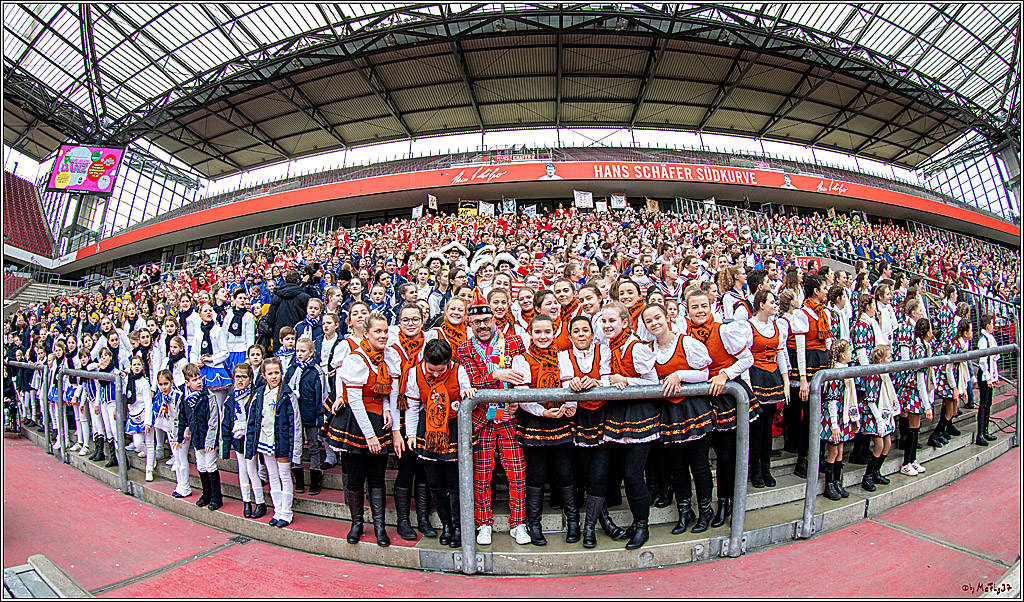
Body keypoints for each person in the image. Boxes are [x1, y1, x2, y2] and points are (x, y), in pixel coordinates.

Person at [455, 291, 531, 546]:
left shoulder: (513, 341)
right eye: (477, 322)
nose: (483, 326)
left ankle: (519, 523)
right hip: (482, 420)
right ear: (469, 323)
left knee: (517, 473)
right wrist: (496, 374)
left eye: (486, 320)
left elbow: (523, 378)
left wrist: (517, 403)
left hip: (509, 418)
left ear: (495, 319)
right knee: (481, 475)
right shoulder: (464, 348)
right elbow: (470, 384)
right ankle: (483, 523)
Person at [683, 289, 753, 530]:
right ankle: (708, 505)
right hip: (700, 398)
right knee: (700, 456)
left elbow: (747, 359)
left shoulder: (724, 330)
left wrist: (725, 374)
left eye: (704, 305)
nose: (700, 311)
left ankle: (726, 502)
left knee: (725, 456)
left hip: (726, 397)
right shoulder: (685, 334)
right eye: (695, 307)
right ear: (687, 309)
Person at [642, 303, 714, 535]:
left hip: (693, 410)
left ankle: (705, 510)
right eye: (649, 321)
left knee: (699, 465)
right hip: (669, 413)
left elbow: (705, 373)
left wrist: (679, 374)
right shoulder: (649, 350)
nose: (654, 323)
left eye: (657, 318)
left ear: (667, 318)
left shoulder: (687, 343)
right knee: (678, 466)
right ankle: (685, 511)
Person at [325, 312, 395, 547]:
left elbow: (384, 389)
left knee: (377, 478)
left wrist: (386, 408)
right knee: (355, 478)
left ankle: (379, 526)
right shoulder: (356, 358)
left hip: (376, 419)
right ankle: (356, 524)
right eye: (378, 331)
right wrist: (371, 436)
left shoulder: (385, 357)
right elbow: (354, 400)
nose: (383, 335)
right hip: (357, 424)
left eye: (385, 331)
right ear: (366, 333)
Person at [512, 314, 579, 546]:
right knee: (537, 475)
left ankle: (573, 521)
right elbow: (521, 394)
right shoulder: (522, 358)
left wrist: (570, 405)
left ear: (554, 333)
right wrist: (542, 411)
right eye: (538, 332)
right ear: (530, 333)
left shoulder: (563, 357)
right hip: (536, 420)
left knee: (565, 473)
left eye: (547, 332)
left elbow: (571, 385)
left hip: (560, 419)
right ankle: (535, 523)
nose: (543, 336)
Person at [598, 301, 660, 549]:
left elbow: (653, 381)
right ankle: (637, 523)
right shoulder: (608, 347)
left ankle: (642, 526)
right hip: (618, 412)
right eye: (603, 321)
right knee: (623, 472)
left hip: (638, 413)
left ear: (625, 323)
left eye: (612, 321)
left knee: (634, 475)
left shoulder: (635, 347)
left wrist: (626, 380)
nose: (607, 325)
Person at [404, 339, 475, 547]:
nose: (435, 374)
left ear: (448, 362)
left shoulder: (459, 370)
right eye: (431, 370)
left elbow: (466, 390)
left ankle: (459, 527)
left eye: (440, 370)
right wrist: (410, 434)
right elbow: (413, 406)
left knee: (454, 485)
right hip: (428, 429)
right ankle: (446, 526)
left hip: (453, 428)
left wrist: (466, 392)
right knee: (435, 484)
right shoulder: (415, 373)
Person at [386, 304, 439, 540]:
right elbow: (392, 390)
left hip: (425, 414)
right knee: (406, 470)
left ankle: (424, 519)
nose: (410, 324)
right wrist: (397, 431)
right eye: (406, 320)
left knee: (424, 470)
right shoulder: (391, 348)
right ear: (399, 322)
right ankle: (403, 520)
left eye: (415, 319)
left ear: (422, 321)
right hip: (402, 415)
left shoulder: (430, 343)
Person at [747, 290, 789, 489]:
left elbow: (781, 354)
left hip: (772, 377)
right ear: (761, 304)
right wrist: (748, 385)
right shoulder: (748, 326)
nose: (775, 305)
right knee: (757, 428)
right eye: (772, 302)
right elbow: (745, 358)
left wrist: (786, 381)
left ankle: (766, 467)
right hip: (756, 376)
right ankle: (755, 469)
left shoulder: (777, 326)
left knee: (768, 427)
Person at [245, 358, 295, 527]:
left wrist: (295, 451)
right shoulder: (259, 394)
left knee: (284, 476)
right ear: (263, 375)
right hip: (265, 440)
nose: (274, 377)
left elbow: (295, 424)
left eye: (277, 373)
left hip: (282, 442)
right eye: (270, 373)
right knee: (272, 476)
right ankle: (277, 510)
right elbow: (252, 421)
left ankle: (287, 512)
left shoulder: (287, 395)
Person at [178, 363, 224, 512]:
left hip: (208, 438)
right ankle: (206, 493)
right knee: (201, 466)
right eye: (194, 380)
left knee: (210, 466)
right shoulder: (185, 398)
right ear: (187, 383)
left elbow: (213, 420)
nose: (198, 382)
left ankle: (216, 497)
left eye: (199, 378)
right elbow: (183, 418)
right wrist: (180, 434)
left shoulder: (208, 396)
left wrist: (210, 441)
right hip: (197, 437)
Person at [285, 337, 325, 495]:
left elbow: (320, 396)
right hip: (295, 414)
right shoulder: (291, 369)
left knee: (313, 446)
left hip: (311, 415)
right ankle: (299, 477)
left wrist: (319, 417)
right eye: (297, 351)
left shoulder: (316, 371)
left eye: (303, 351)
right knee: (297, 446)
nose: (299, 354)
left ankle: (315, 476)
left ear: (311, 352)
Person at [821, 340, 857, 501]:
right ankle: (829, 484)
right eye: (849, 351)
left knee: (841, 450)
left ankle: (837, 481)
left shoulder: (847, 372)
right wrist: (834, 425)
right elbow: (832, 401)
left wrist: (853, 416)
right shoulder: (836, 374)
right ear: (843, 355)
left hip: (844, 416)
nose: (851, 354)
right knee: (833, 450)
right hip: (835, 417)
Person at [858, 345, 897, 492]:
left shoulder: (885, 374)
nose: (891, 359)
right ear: (880, 360)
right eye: (888, 357)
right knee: (879, 445)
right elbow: (870, 399)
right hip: (873, 414)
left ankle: (876, 471)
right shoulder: (873, 375)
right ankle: (867, 476)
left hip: (884, 412)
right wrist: (879, 419)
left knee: (887, 444)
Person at [156, 369, 192, 498]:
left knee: (182, 458)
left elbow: (185, 414)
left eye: (166, 384)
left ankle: (185, 485)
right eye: (160, 384)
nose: (163, 387)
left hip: (181, 431)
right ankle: (179, 483)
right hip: (170, 429)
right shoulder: (161, 397)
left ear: (171, 382)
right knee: (176, 458)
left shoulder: (178, 395)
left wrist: (186, 430)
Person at [260, 270, 311, 350]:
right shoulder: (305, 297)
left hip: (280, 336)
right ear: (297, 281)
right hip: (299, 336)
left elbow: (270, 320)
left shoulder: (276, 297)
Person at [124, 354, 156, 481]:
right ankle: (151, 457)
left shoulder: (144, 382)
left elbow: (148, 403)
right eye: (134, 365)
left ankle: (149, 469)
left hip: (144, 415)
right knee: (137, 443)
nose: (136, 367)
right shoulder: (128, 380)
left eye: (138, 364)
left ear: (142, 366)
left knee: (149, 442)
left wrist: (148, 422)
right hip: (133, 415)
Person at [975, 315, 999, 446]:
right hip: (984, 375)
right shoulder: (983, 340)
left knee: (988, 402)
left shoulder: (990, 338)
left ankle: (985, 431)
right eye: (992, 324)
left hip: (989, 375)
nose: (993, 326)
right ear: (987, 325)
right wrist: (988, 377)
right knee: (984, 403)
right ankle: (980, 434)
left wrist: (994, 377)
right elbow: (983, 361)